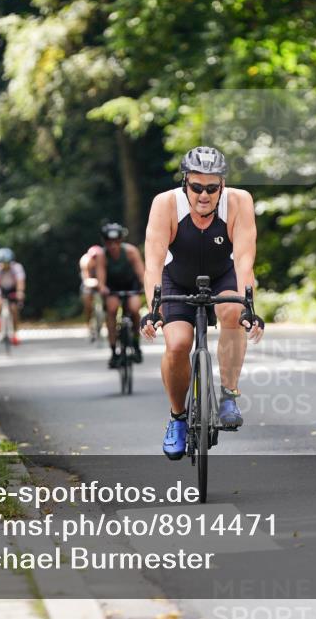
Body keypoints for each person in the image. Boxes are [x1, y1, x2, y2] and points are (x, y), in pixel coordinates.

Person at [140, 146, 264, 460]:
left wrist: (249, 305)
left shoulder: (240, 202)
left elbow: (244, 261)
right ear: (186, 184)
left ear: (222, 185)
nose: (204, 195)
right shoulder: (165, 204)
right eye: (197, 187)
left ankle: (228, 395)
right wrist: (152, 309)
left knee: (232, 311)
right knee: (179, 343)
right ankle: (178, 417)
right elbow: (153, 263)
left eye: (212, 188)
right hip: (176, 280)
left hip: (222, 276)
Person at [95, 223, 146, 367]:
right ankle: (113, 351)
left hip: (131, 286)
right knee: (111, 310)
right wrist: (102, 287)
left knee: (135, 309)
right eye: (109, 243)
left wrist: (145, 286)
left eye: (116, 242)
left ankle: (136, 344)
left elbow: (141, 274)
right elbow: (101, 278)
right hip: (112, 288)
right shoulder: (101, 255)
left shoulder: (131, 252)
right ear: (105, 242)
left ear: (121, 241)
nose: (113, 246)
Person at [0, 247, 25, 346]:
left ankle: (15, 333)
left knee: (14, 309)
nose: (5, 265)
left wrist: (20, 292)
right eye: (2, 263)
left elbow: (20, 282)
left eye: (7, 262)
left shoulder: (17, 268)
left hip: (12, 288)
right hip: (0, 289)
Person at [79, 243, 104, 335]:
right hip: (89, 284)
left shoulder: (104, 259)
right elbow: (86, 279)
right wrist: (98, 282)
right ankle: (88, 324)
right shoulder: (85, 261)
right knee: (88, 304)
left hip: (101, 283)